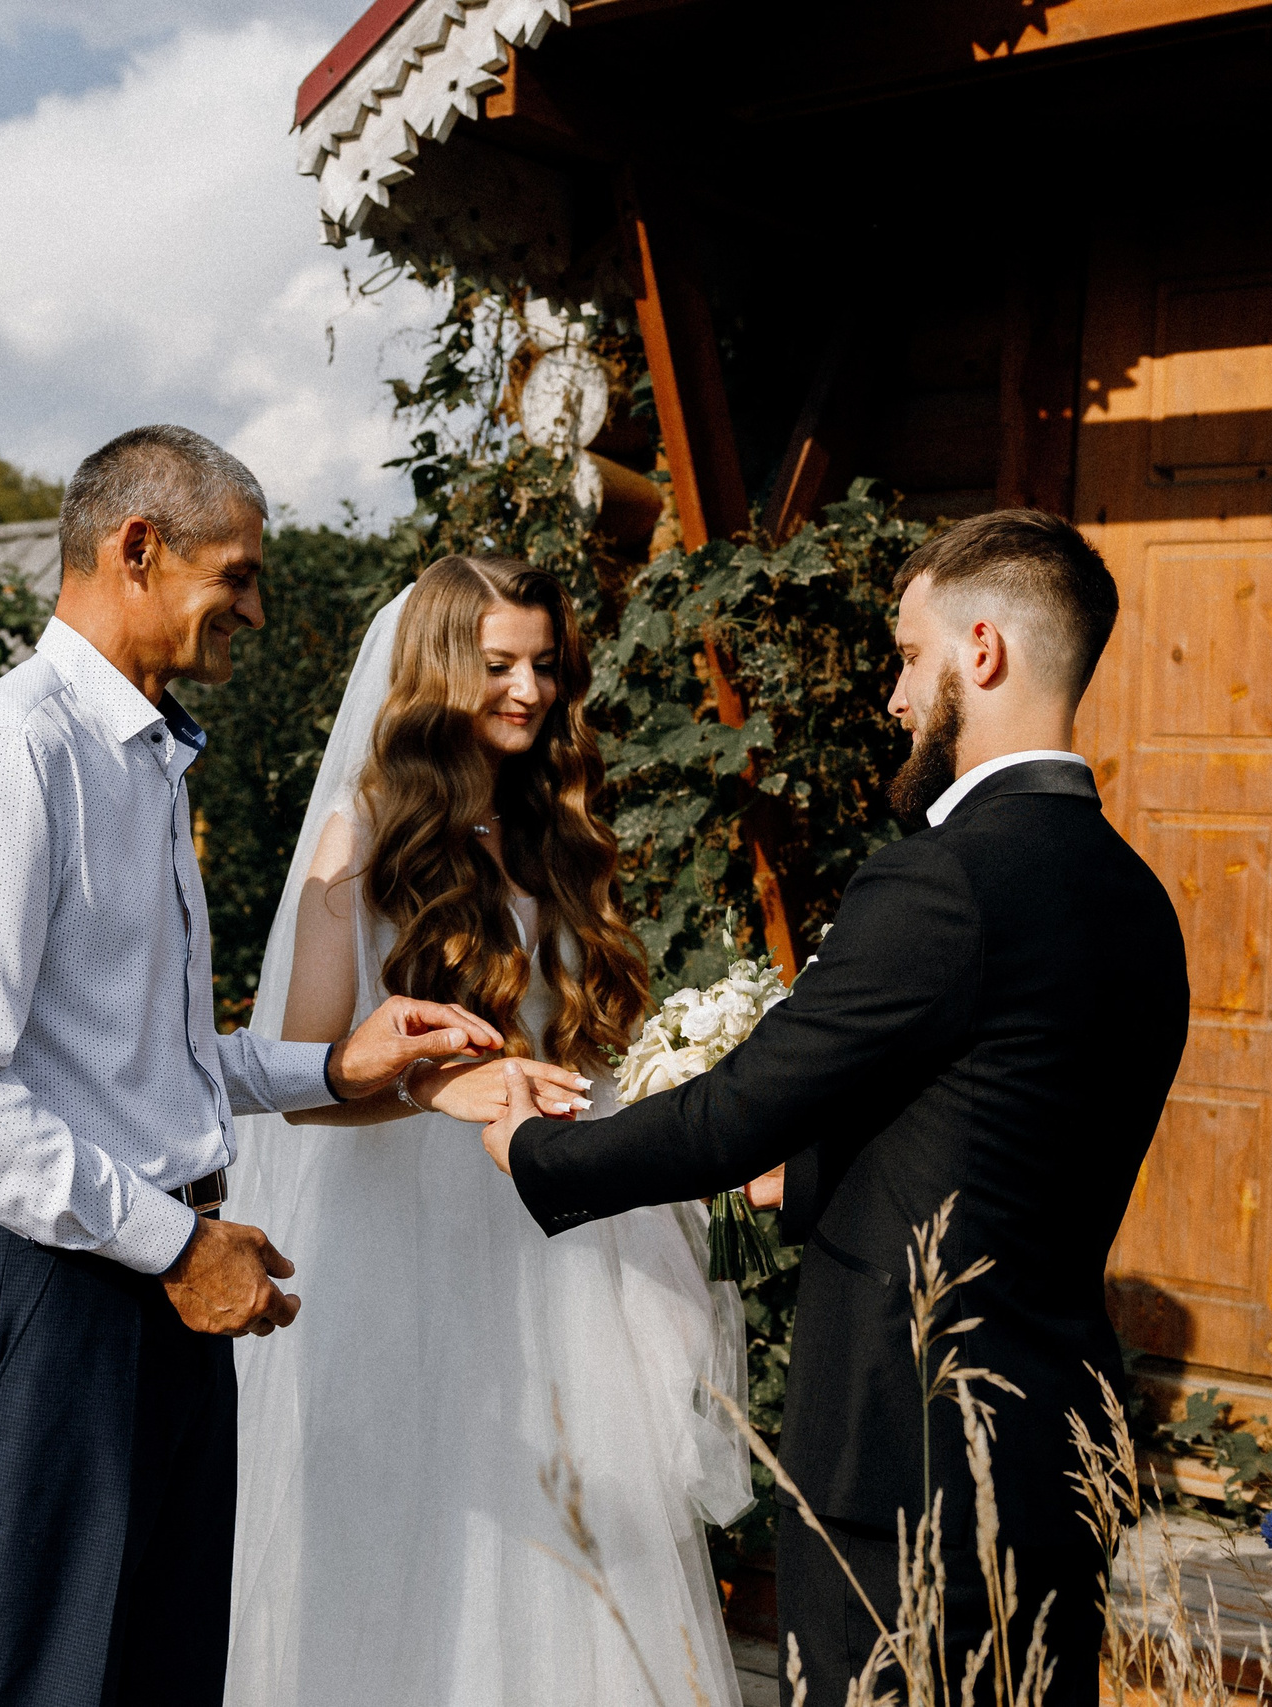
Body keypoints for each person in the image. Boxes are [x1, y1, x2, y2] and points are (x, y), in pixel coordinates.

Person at [480, 509, 1190, 1707]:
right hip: (1057, 1457)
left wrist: (540, 1152)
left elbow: (736, 1112)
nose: (895, 696)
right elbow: (1003, 1130)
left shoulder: (942, 878)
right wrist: (805, 1181)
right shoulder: (1137, 899)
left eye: (908, 656)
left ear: (982, 652)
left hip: (905, 1463)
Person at [0, 426, 507, 1707]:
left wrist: (337, 1062)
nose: (257, 608)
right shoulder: (12, 755)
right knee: (39, 1681)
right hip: (50, 1298)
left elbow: (137, 1061)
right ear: (139, 550)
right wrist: (172, 1244)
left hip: (156, 1284)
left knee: (156, 1678)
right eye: (238, 575)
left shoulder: (144, 759)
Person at [226, 556, 753, 1706]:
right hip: (408, 1239)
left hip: (558, 1231)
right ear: (433, 674)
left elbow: (586, 1041)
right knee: (428, 1534)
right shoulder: (357, 835)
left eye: (544, 668)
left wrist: (668, 1074)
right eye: (498, 665)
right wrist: (425, 1087)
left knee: (576, 1528)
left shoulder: (553, 833)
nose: (526, 692)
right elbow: (301, 1078)